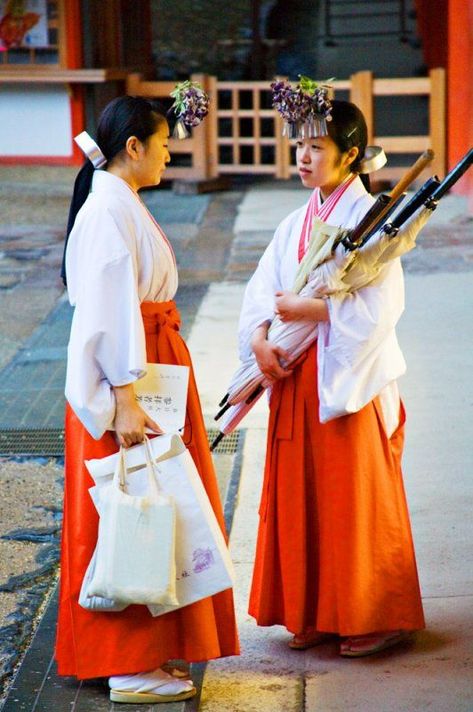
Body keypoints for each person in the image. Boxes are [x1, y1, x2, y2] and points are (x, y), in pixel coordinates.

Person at [56, 95, 239, 704]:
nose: (169, 152)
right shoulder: (108, 208)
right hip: (129, 383)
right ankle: (127, 661)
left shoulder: (114, 200)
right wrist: (125, 398)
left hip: (147, 368)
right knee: (133, 509)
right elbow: (105, 314)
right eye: (162, 144)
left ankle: (139, 652)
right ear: (133, 147)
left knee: (152, 506)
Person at [238, 98, 425, 657]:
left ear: (351, 156)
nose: (304, 156)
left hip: (346, 374)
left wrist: (312, 313)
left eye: (316, 147)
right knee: (303, 497)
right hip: (296, 371)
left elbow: (382, 308)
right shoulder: (295, 223)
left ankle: (375, 613)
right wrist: (259, 342)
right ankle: (315, 609)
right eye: (300, 146)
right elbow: (260, 296)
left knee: (352, 499)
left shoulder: (372, 220)